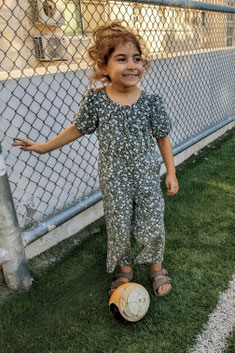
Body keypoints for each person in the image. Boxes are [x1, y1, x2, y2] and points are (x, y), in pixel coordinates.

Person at [13, 21, 178, 297]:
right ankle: (124, 269)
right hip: (114, 178)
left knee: (152, 220)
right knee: (118, 223)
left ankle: (156, 268)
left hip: (147, 176)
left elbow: (163, 138)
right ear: (104, 67)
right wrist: (44, 147)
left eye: (136, 59)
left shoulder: (152, 101)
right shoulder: (97, 100)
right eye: (121, 59)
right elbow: (77, 128)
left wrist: (171, 173)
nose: (131, 66)